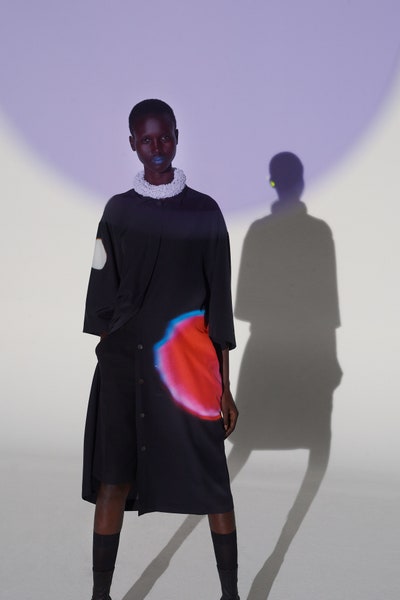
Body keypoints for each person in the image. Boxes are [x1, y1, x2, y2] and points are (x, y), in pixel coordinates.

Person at [82, 99, 239, 600]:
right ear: (132, 143)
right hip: (123, 370)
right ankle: (100, 595)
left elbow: (219, 305)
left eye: (164, 136)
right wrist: (110, 367)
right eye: (146, 139)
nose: (157, 148)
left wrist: (224, 386)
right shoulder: (117, 211)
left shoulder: (205, 212)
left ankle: (231, 594)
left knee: (213, 482)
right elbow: (102, 295)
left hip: (186, 371)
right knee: (113, 480)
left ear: (177, 136)